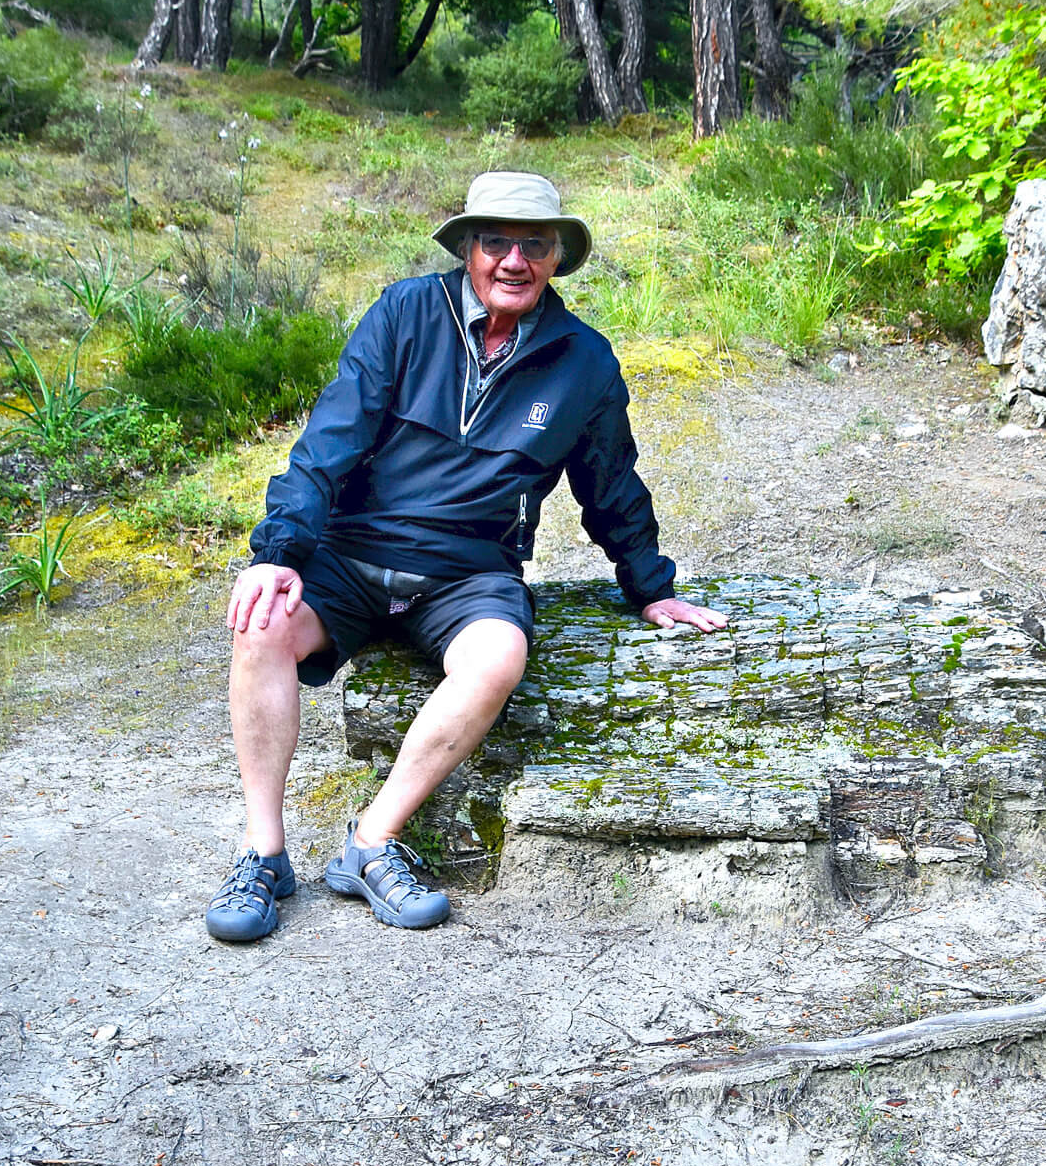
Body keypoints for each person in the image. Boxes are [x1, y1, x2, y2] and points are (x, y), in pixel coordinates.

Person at [205, 170, 727, 943]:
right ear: (468, 249)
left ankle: (371, 842)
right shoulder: (405, 314)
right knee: (260, 623)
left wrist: (651, 586)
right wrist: (278, 551)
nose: (514, 260)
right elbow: (328, 440)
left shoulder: (584, 361)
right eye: (496, 242)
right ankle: (263, 852)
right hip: (351, 554)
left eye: (534, 245)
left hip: (470, 572)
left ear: (556, 257)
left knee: (499, 655)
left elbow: (610, 481)